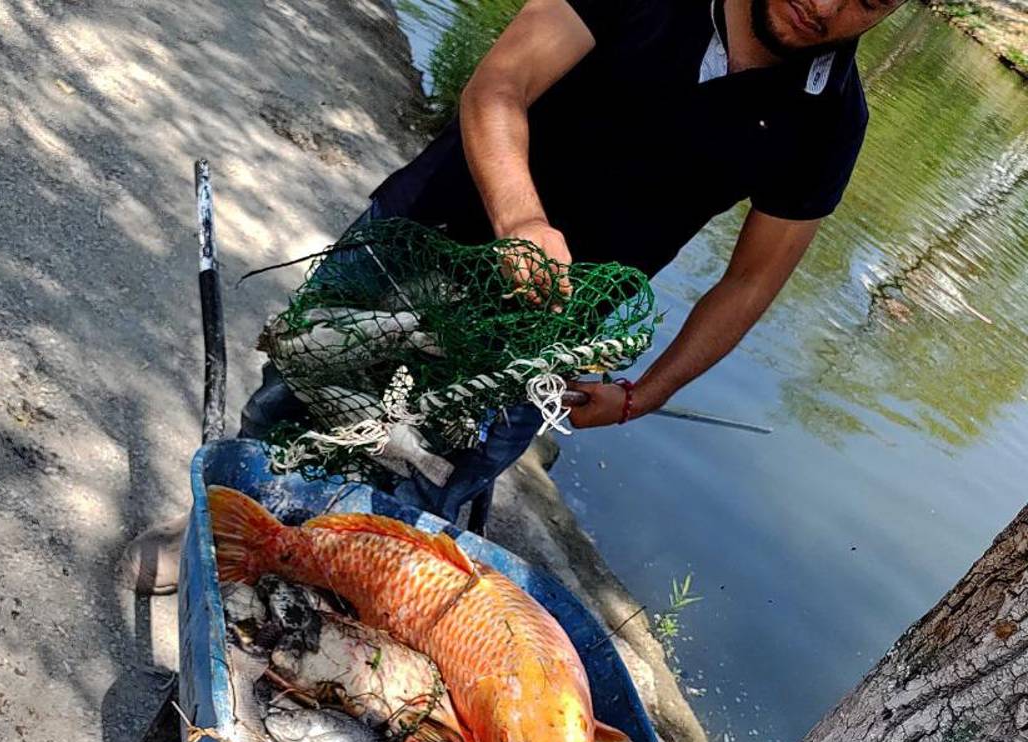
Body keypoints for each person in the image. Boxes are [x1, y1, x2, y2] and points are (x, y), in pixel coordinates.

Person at [121, 0, 907, 594]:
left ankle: (311, 587)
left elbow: (751, 282)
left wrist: (644, 393)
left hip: (545, 334)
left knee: (417, 486)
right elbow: (499, 84)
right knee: (295, 400)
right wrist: (521, 219)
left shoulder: (832, 119)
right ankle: (216, 526)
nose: (828, 6)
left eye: (870, 1)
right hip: (423, 235)